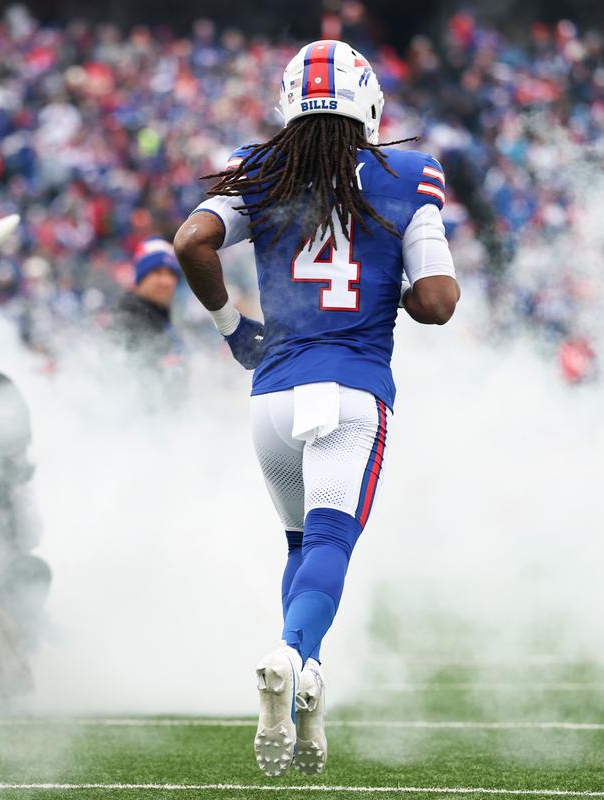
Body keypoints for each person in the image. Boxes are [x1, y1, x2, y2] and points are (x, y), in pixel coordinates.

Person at [173, 40, 460, 777]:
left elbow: (192, 241)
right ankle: (293, 654)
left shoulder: (261, 167)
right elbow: (436, 301)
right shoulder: (407, 172)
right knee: (332, 545)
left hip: (272, 395)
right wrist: (380, 291)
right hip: (352, 390)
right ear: (368, 103)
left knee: (301, 547)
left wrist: (233, 328)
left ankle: (307, 679)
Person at [107, 237, 183, 375]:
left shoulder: (163, 319)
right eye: (157, 273)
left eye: (171, 274)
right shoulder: (125, 321)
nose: (166, 281)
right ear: (140, 277)